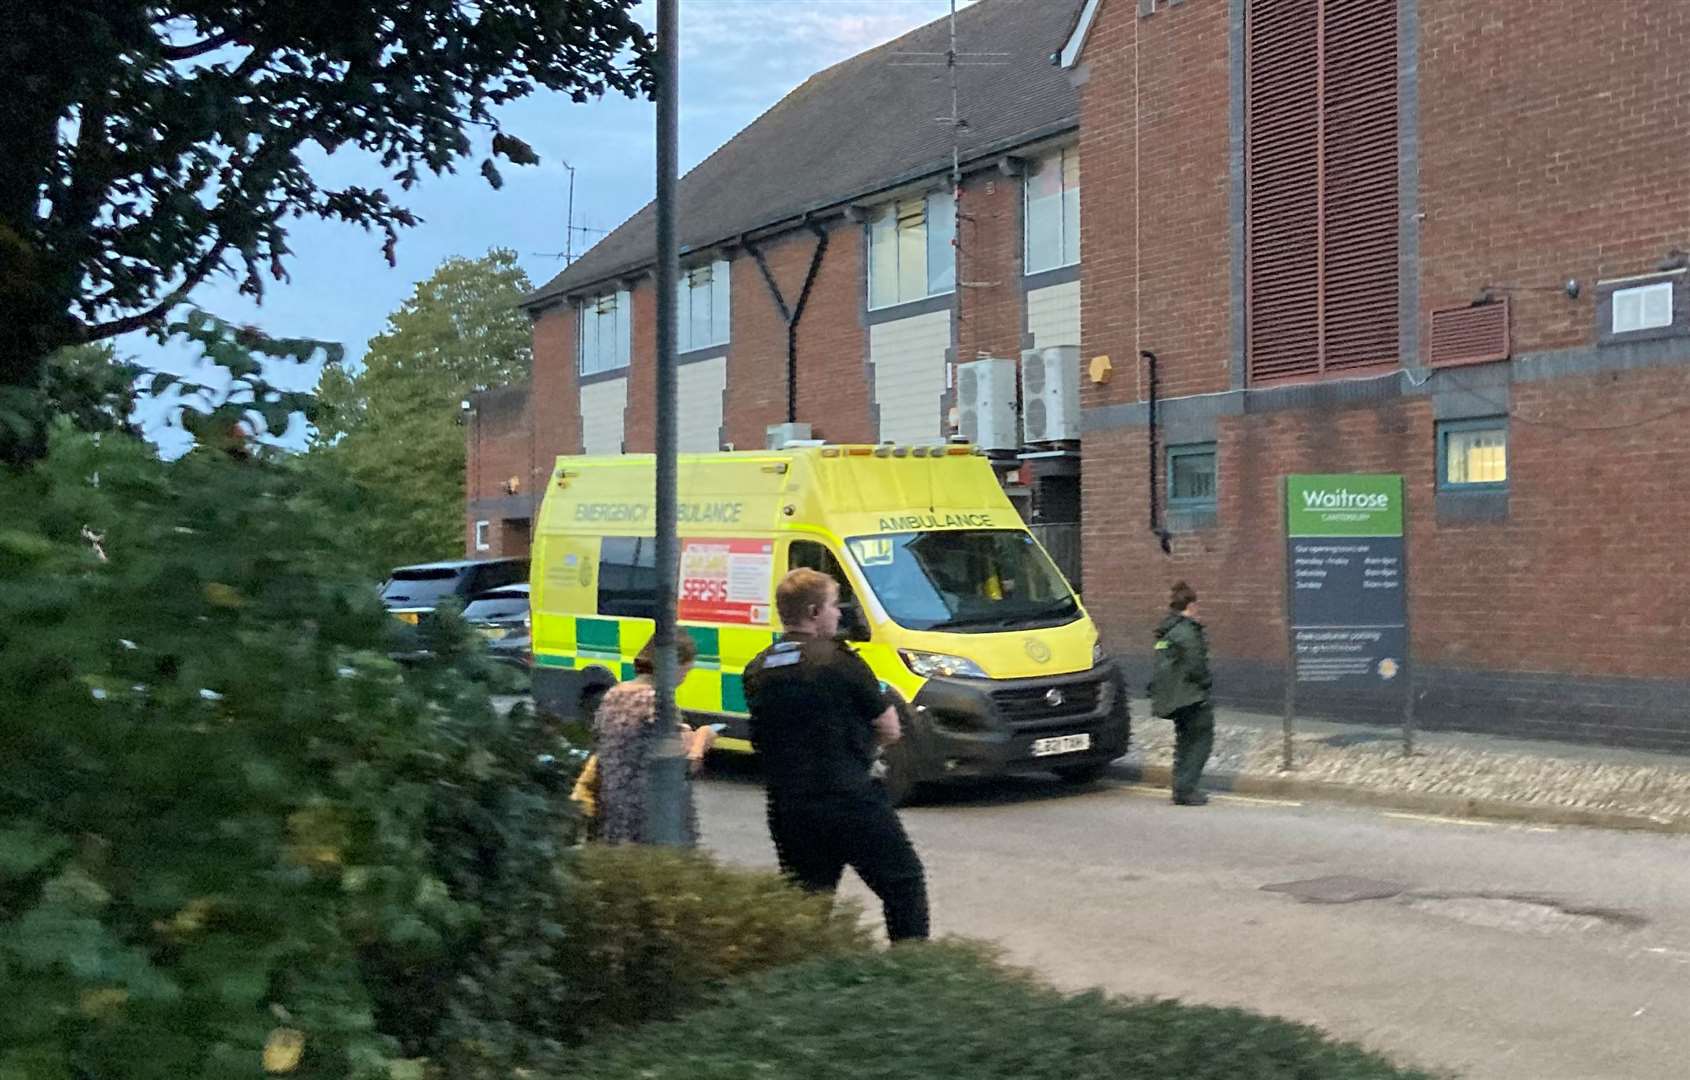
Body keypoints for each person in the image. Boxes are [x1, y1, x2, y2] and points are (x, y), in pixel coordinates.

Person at [743, 568, 930, 942]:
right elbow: (890, 727)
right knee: (903, 884)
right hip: (849, 798)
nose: (840, 613)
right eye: (833, 605)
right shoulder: (840, 662)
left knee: (807, 901)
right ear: (814, 612)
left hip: (789, 805)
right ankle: (911, 972)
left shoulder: (758, 669)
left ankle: (806, 976)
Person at [591, 634, 716, 845]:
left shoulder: (613, 694)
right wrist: (702, 740)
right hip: (649, 812)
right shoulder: (658, 702)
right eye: (686, 671)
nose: (685, 678)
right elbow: (678, 768)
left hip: (612, 805)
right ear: (673, 666)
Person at [1149, 580, 1214, 806]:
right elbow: (1196, 665)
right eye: (1197, 606)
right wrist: (1206, 683)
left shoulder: (1168, 630)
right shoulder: (1187, 632)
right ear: (1191, 605)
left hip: (1173, 697)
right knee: (1200, 740)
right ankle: (1187, 789)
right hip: (1191, 695)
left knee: (1184, 741)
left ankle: (1180, 787)